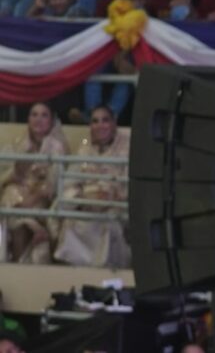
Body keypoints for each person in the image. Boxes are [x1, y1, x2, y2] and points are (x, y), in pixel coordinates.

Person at [52, 105, 131, 268]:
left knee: (110, 225)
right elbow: (69, 182)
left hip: (114, 207)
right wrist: (81, 198)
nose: (100, 125)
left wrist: (110, 198)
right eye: (95, 121)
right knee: (69, 223)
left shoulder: (127, 148)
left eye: (105, 120)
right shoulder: (84, 149)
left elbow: (131, 186)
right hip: (87, 207)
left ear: (114, 123)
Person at [0, 102, 69, 263]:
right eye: (34, 114)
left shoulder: (57, 147)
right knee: (11, 194)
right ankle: (32, 229)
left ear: (51, 121)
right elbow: (5, 176)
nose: (38, 119)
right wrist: (15, 174)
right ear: (28, 119)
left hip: (42, 199)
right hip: (16, 198)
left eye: (44, 115)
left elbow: (54, 183)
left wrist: (32, 198)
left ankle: (21, 258)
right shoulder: (18, 143)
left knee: (16, 208)